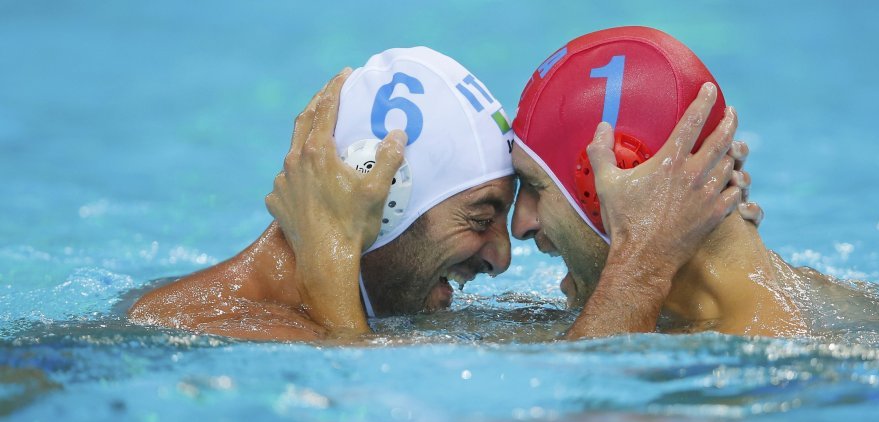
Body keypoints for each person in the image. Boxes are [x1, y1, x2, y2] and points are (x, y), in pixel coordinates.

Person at [129, 45, 759, 342]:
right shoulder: (203, 330)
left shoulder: (405, 320)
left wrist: (702, 241)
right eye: (482, 216)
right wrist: (643, 263)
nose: (503, 254)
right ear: (382, 205)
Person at [510, 26, 879, 340]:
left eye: (536, 187)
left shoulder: (768, 353)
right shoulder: (852, 305)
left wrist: (642, 262)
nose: (520, 224)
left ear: (628, 177)